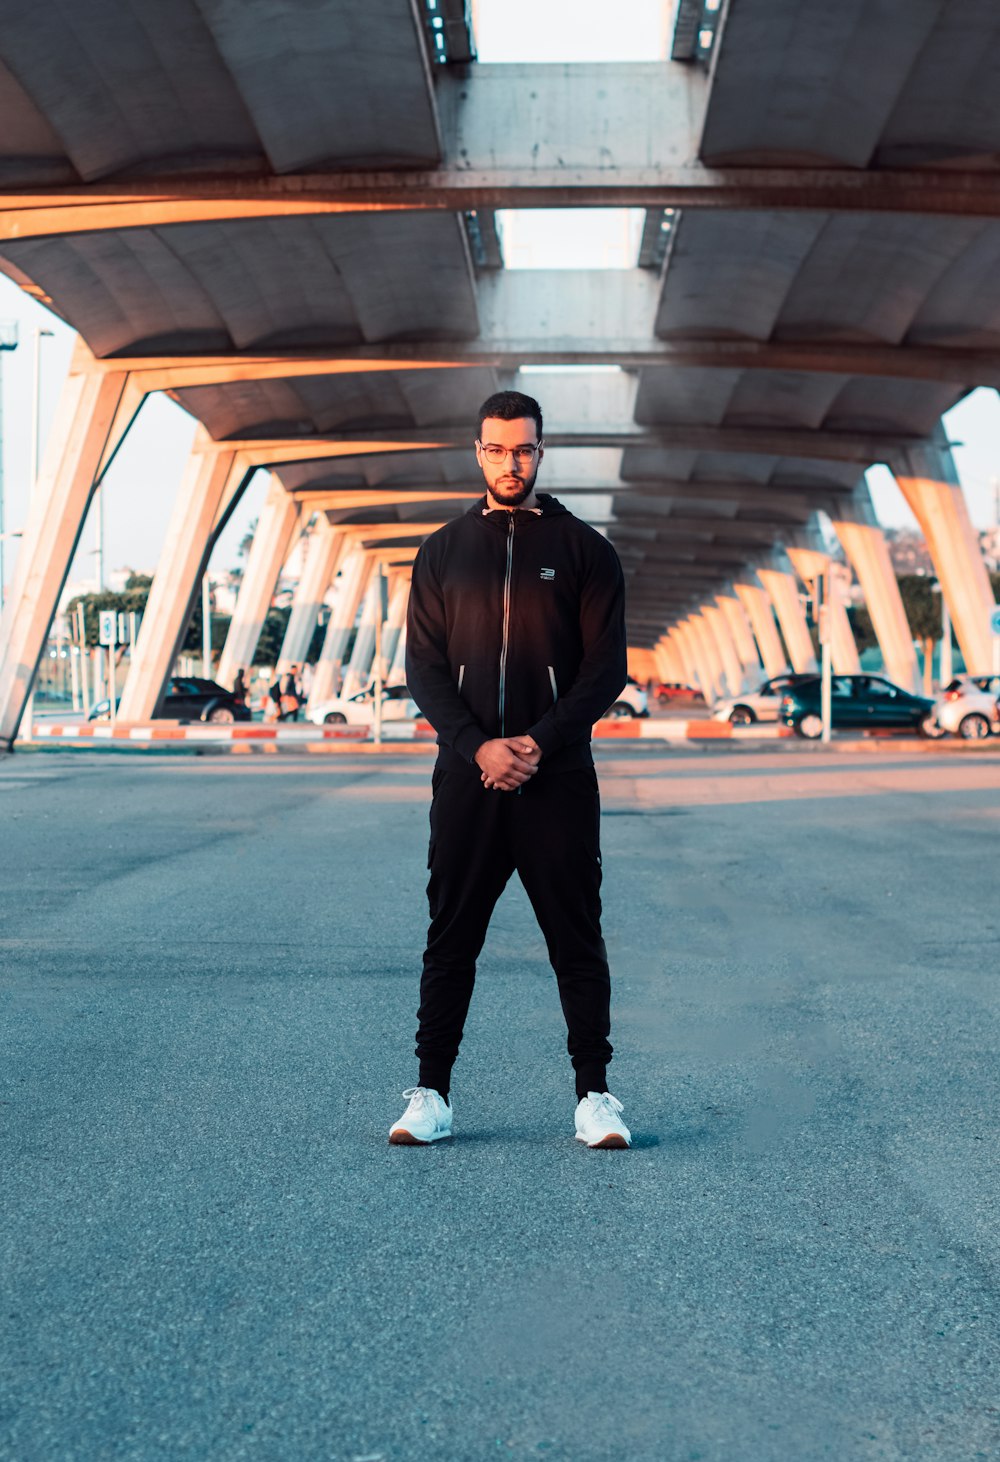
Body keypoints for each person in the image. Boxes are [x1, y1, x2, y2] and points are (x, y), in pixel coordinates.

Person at [390, 390, 632, 1149]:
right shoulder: (441, 551)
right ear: (477, 452)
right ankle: (430, 1093)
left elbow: (606, 671)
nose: (510, 462)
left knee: (576, 938)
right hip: (467, 779)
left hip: (555, 778)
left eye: (522, 449)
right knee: (450, 937)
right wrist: (478, 747)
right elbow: (423, 669)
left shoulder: (586, 550)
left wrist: (536, 742)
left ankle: (594, 1094)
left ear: (540, 451)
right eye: (496, 449)